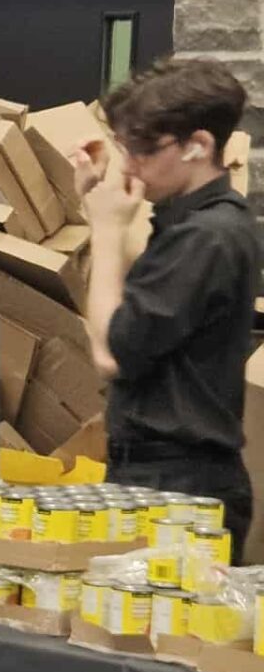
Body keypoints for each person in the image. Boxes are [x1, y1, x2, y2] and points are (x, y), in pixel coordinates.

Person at [74, 57, 260, 551]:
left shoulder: (207, 237)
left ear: (198, 145)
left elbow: (110, 352)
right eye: (124, 148)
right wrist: (99, 209)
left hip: (179, 487)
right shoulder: (190, 227)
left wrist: (108, 229)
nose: (130, 165)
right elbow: (122, 299)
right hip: (164, 480)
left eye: (142, 149)